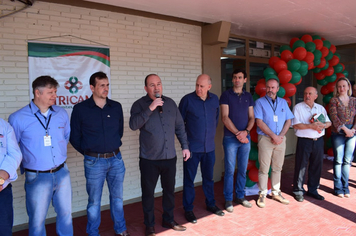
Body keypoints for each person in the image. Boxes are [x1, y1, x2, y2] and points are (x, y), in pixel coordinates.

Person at [9, 76, 73, 236]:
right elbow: (13, 149)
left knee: (66, 215)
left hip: (62, 172)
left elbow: (66, 137)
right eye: (50, 92)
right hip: (37, 177)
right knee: (37, 221)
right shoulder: (18, 118)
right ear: (37, 93)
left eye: (55, 92)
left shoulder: (61, 113)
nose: (55, 96)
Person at [129, 74, 190, 236]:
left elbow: (179, 128)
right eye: (152, 85)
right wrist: (151, 108)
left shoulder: (170, 104)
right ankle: (149, 225)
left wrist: (185, 147)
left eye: (159, 84)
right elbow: (133, 125)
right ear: (145, 88)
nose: (156, 88)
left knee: (169, 191)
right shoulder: (139, 105)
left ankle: (168, 219)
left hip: (169, 158)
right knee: (148, 193)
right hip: (149, 159)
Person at [70, 72, 129, 236]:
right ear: (92, 87)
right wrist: (90, 153)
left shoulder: (116, 106)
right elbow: (75, 137)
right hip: (94, 162)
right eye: (102, 85)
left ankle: (120, 228)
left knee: (117, 198)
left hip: (116, 159)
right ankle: (93, 232)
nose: (106, 88)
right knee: (94, 201)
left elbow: (119, 132)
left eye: (107, 85)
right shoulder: (80, 109)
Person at [179, 74, 223, 224]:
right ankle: (188, 209)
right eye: (197, 85)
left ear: (209, 87)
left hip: (209, 148)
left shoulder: (215, 99)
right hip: (192, 149)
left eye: (202, 86)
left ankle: (210, 204)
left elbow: (215, 120)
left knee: (208, 178)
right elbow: (179, 125)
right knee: (189, 180)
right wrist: (185, 145)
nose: (198, 88)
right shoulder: (187, 100)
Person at [254, 78, 294, 208]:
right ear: (266, 88)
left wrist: (280, 136)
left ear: (277, 89)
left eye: (273, 87)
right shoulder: (259, 102)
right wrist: (273, 136)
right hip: (266, 139)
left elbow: (289, 120)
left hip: (280, 140)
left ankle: (276, 192)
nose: (270, 90)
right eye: (268, 87)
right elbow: (259, 122)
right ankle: (262, 194)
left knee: (277, 168)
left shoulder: (283, 102)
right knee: (264, 168)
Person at [220, 69, 255, 212]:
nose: (237, 80)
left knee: (242, 169)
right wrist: (237, 134)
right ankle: (228, 199)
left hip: (245, 138)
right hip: (230, 138)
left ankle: (240, 196)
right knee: (229, 170)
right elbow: (224, 117)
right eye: (235, 77)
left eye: (240, 77)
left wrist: (245, 132)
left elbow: (252, 118)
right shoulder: (225, 95)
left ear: (245, 80)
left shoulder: (248, 96)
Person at [292, 87, 331, 202]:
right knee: (301, 166)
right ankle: (298, 190)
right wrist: (311, 126)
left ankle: (313, 190)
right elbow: (296, 125)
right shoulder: (298, 107)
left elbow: (329, 122)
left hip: (318, 141)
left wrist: (322, 125)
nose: (307, 96)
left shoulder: (320, 108)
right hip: (304, 141)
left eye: (310, 93)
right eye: (305, 93)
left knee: (316, 166)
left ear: (316, 96)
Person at [329, 77, 356, 198]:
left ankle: (346, 187)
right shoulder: (334, 100)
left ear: (348, 87)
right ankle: (338, 188)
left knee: (347, 161)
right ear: (336, 88)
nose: (342, 88)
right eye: (339, 86)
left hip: (352, 133)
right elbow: (334, 118)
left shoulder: (354, 100)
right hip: (338, 132)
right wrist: (346, 130)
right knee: (338, 160)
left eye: (344, 86)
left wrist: (353, 130)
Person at [0, 119, 22, 236]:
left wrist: (2, 177)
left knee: (4, 230)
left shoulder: (3, 125)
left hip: (2, 190)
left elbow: (14, 154)